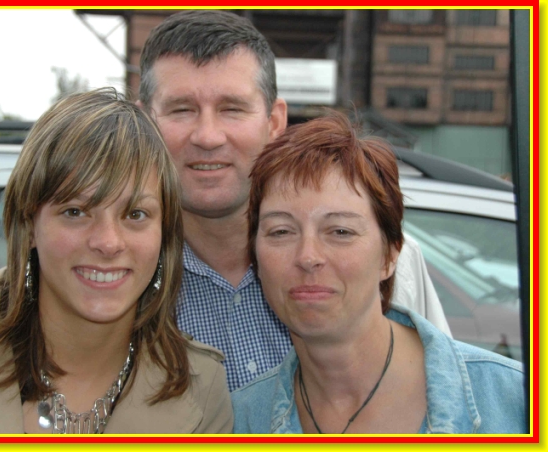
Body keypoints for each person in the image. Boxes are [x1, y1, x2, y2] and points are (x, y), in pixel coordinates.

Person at [138, 9, 450, 391]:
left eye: (232, 109)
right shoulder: (120, 270)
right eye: (182, 110)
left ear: (274, 122)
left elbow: (445, 394)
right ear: (144, 123)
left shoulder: (381, 261)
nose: (208, 136)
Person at [0, 88, 233, 434]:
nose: (108, 242)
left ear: (164, 233)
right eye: (75, 212)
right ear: (29, 225)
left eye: (135, 214)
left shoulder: (202, 391)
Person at [232, 112, 526, 434]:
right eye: (281, 231)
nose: (308, 257)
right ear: (254, 257)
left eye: (341, 231)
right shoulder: (239, 422)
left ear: (390, 254)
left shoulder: (516, 403)